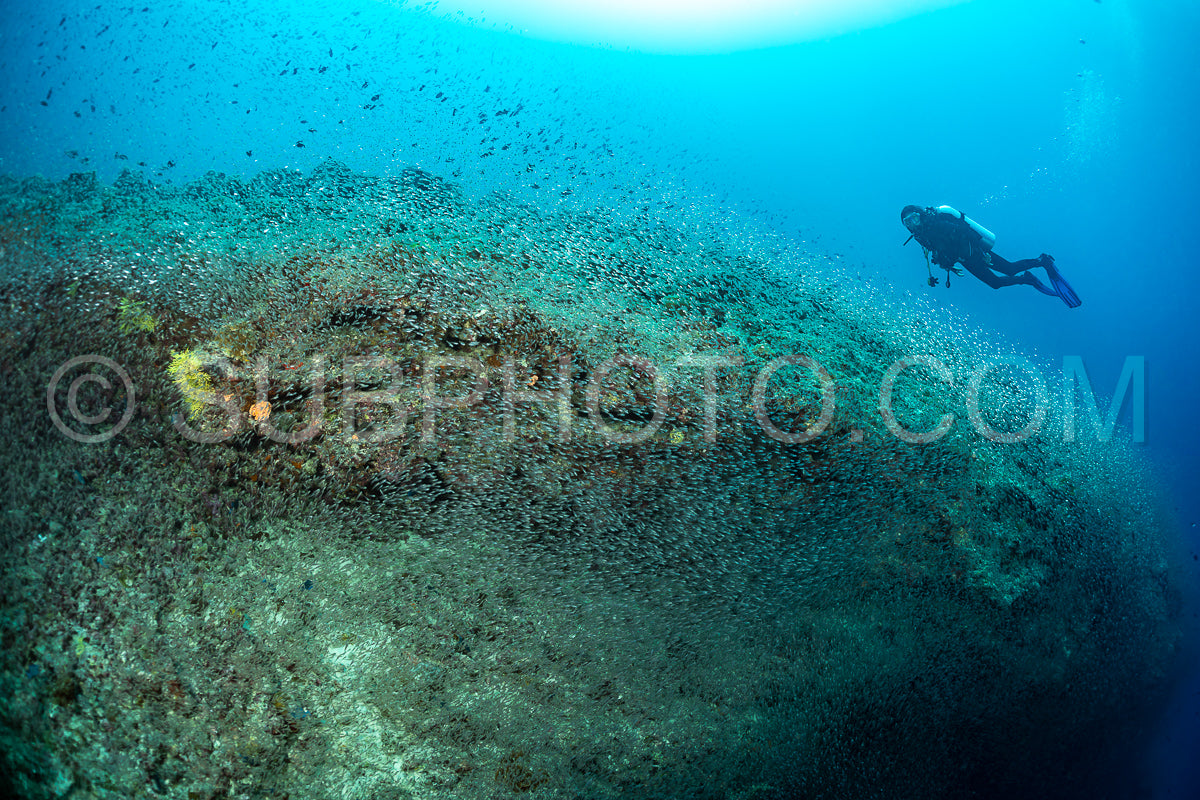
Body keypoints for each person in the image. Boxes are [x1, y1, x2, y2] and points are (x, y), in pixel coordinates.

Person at [900, 205, 1081, 308]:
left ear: (921, 215)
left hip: (977, 253)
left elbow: (967, 233)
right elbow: (938, 251)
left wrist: (981, 252)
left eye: (914, 218)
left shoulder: (938, 224)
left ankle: (1042, 261)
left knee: (1010, 269)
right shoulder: (920, 236)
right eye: (908, 222)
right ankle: (1027, 279)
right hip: (966, 261)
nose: (913, 224)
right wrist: (946, 264)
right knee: (995, 284)